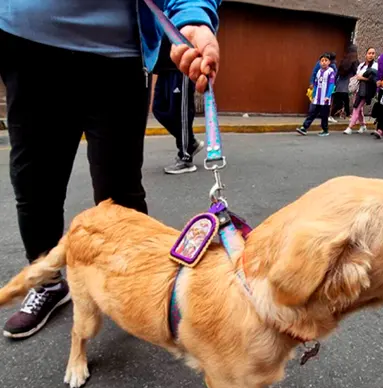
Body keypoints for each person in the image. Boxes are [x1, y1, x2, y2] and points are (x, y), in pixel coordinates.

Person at [0, 0, 220, 340]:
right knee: (34, 186)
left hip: (119, 57)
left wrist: (192, 20)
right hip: (29, 46)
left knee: (121, 193)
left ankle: (133, 285)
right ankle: (48, 284)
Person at [152, 38, 200, 175]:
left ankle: (186, 158)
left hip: (180, 68)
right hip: (163, 68)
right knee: (158, 109)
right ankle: (190, 142)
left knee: (181, 113)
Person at [296, 52, 337, 136]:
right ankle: (304, 128)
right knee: (312, 113)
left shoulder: (330, 71)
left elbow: (331, 85)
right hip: (318, 98)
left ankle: (325, 130)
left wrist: (328, 96)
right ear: (319, 62)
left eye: (326, 60)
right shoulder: (318, 72)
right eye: (322, 60)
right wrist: (314, 95)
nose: (324, 62)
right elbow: (316, 84)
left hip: (325, 99)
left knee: (324, 115)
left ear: (329, 62)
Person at [344, 47, 378, 135]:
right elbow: (357, 75)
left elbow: (373, 79)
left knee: (356, 107)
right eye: (369, 53)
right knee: (359, 109)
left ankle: (350, 127)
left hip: (366, 90)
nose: (371, 55)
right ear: (366, 54)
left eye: (373, 53)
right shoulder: (361, 65)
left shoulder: (375, 66)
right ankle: (363, 125)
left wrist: (361, 78)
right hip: (358, 89)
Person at [331, 46, 358, 122]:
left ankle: (346, 114)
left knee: (340, 100)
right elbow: (357, 72)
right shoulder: (355, 61)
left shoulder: (343, 61)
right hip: (347, 84)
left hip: (340, 84)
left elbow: (337, 74)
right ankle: (335, 114)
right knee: (344, 100)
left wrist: (334, 83)